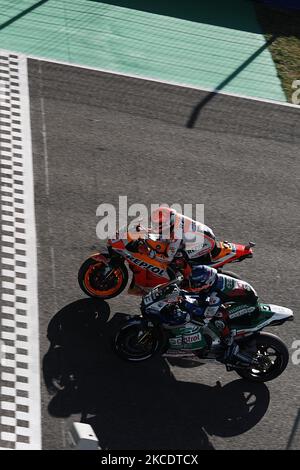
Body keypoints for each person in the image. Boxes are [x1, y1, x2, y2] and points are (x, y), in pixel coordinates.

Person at [165, 265, 259, 364]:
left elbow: (207, 316)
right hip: (241, 293)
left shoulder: (216, 295)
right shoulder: (213, 279)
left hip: (248, 303)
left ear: (208, 283)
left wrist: (187, 305)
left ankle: (228, 341)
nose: (193, 286)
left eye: (197, 284)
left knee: (219, 316)